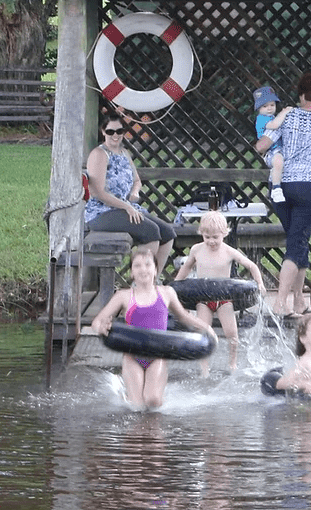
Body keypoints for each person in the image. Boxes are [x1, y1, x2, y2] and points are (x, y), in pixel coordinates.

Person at [255, 71, 311, 319]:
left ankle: (298, 302)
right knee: (296, 244)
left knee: (298, 240)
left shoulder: (288, 116)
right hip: (310, 189)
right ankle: (279, 304)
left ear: (302, 94)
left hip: (281, 187)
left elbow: (261, 145)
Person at [90, 249, 217, 409]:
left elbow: (184, 317)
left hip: (157, 356)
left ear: (156, 270)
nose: (143, 269)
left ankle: (149, 397)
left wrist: (206, 328)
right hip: (132, 356)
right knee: (137, 406)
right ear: (131, 273)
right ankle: (128, 394)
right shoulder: (123, 296)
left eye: (148, 264)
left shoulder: (166, 293)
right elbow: (97, 322)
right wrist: (101, 327)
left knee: (153, 402)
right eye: (137, 266)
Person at [84, 112, 177, 276]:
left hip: (125, 207)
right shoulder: (99, 154)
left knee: (168, 233)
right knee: (150, 232)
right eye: (111, 131)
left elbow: (137, 180)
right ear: (103, 132)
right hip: (101, 212)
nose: (115, 136)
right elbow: (97, 192)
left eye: (119, 131)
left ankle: (152, 283)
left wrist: (134, 193)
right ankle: (140, 283)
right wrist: (126, 206)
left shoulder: (124, 153)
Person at [174, 210, 266, 374]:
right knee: (203, 332)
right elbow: (186, 267)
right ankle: (204, 367)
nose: (211, 241)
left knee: (232, 333)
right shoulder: (196, 250)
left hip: (224, 299)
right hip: (203, 299)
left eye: (215, 237)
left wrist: (259, 283)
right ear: (201, 234)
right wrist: (175, 286)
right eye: (207, 237)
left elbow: (251, 266)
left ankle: (233, 363)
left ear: (224, 233)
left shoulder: (228, 251)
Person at [252, 85, 289, 203]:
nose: (269, 108)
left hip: (280, 149)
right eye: (265, 106)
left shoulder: (272, 116)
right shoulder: (262, 118)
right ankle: (276, 188)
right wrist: (284, 113)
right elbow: (274, 125)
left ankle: (275, 183)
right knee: (278, 161)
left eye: (272, 105)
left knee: (281, 165)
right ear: (258, 108)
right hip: (271, 151)